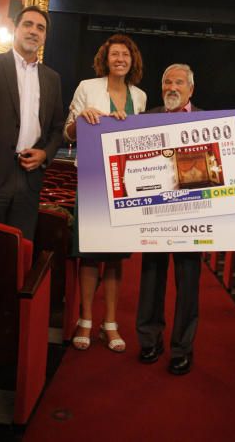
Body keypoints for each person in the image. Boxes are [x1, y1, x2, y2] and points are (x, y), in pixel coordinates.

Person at [65, 34, 146, 353]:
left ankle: (109, 323)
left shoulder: (139, 96)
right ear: (106, 59)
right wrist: (80, 120)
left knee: (114, 258)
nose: (120, 59)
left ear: (132, 60)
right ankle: (85, 319)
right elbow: (67, 132)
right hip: (92, 179)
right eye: (115, 54)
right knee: (88, 254)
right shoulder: (87, 87)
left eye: (125, 54)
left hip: (125, 184)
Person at [0, 5, 63, 240]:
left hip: (29, 183)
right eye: (27, 24)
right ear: (15, 29)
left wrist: (45, 154)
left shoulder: (52, 79)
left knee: (18, 257)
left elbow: (58, 129)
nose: (33, 31)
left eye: (40, 28)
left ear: (45, 36)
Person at [136, 63, 201, 376]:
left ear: (191, 89)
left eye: (178, 82)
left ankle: (182, 348)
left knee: (188, 284)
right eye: (166, 82)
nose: (172, 87)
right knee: (151, 279)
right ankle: (149, 339)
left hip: (192, 216)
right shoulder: (146, 119)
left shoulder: (207, 121)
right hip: (155, 214)